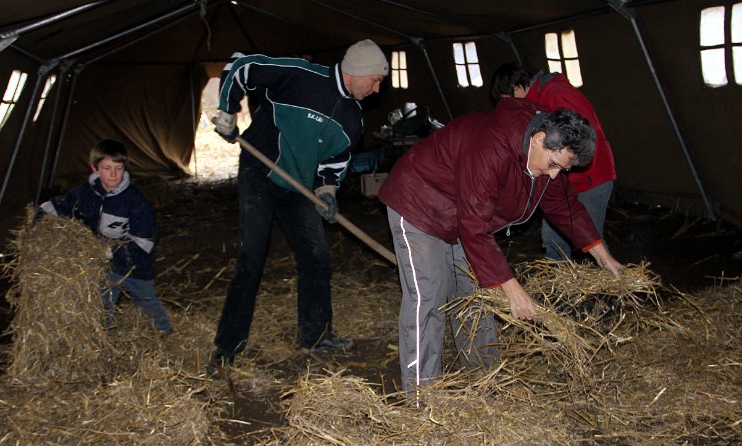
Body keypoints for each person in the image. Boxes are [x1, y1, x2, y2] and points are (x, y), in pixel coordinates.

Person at [378, 98, 624, 395]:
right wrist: (513, 288)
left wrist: (601, 254)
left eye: (563, 169)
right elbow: (474, 227)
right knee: (429, 297)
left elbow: (563, 204)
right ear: (538, 139)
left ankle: (484, 383)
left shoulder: (543, 155)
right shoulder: (490, 146)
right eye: (553, 165)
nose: (556, 174)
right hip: (420, 204)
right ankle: (422, 398)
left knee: (474, 297)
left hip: (462, 215)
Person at [211, 40, 389, 371]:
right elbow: (240, 64)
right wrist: (227, 110)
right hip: (260, 172)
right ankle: (227, 348)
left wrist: (327, 193)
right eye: (376, 80)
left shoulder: (353, 119)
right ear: (356, 72)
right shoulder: (300, 75)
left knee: (317, 257)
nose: (377, 89)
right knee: (252, 257)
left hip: (298, 189)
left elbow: (335, 163)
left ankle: (316, 336)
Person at [38, 139, 172, 334]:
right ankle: (106, 337)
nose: (113, 174)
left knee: (147, 300)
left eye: (118, 168)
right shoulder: (84, 192)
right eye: (107, 168)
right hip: (104, 266)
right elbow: (61, 205)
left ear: (125, 168)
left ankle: (164, 331)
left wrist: (111, 252)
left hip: (135, 266)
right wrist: (38, 218)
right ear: (95, 168)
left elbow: (144, 242)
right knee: (103, 304)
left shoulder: (135, 201)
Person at [490, 62, 617, 260]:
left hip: (590, 177)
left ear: (517, 87)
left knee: (588, 237)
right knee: (552, 237)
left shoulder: (556, 95)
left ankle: (607, 280)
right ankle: (558, 283)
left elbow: (579, 140)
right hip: (562, 181)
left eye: (509, 99)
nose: (511, 107)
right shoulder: (538, 100)